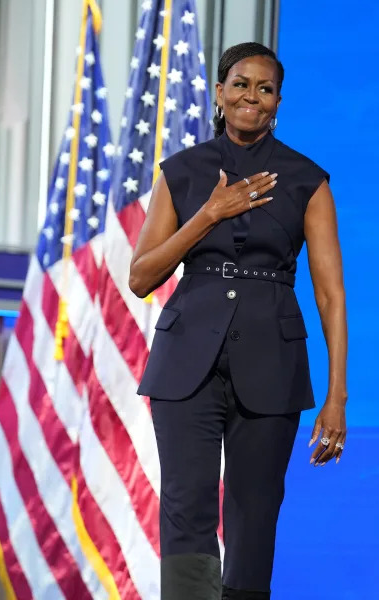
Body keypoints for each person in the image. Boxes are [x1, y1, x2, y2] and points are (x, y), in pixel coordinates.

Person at [128, 42, 348, 600]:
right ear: (220, 94)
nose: (252, 96)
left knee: (255, 508)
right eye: (241, 84)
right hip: (186, 363)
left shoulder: (307, 180)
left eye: (265, 88)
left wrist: (337, 396)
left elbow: (330, 295)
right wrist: (209, 214)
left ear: (277, 103)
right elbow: (142, 276)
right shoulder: (181, 172)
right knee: (186, 503)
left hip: (272, 360)